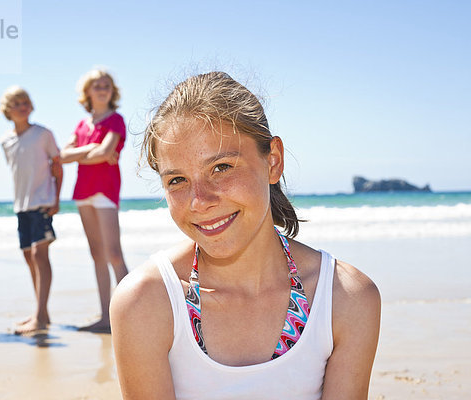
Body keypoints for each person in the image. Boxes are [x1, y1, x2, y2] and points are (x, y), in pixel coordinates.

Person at [110, 72, 381, 399]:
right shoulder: (146, 302)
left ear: (273, 161)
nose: (200, 201)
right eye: (178, 180)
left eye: (221, 167)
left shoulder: (344, 298)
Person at [60, 69, 128, 333]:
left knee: (113, 253)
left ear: (112, 91)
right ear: (87, 91)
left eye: (107, 85)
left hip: (106, 190)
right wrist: (91, 151)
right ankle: (105, 317)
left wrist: (88, 153)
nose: (102, 89)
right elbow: (62, 156)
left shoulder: (115, 120)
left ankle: (130, 314)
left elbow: (104, 151)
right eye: (97, 85)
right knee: (96, 254)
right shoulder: (81, 125)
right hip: (83, 191)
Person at [0, 86, 63, 334]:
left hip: (42, 202)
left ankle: (40, 316)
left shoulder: (43, 134)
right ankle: (41, 313)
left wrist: (56, 198)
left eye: (25, 101)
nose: (22, 106)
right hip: (21, 205)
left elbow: (57, 166)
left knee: (39, 255)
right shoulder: (6, 140)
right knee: (29, 257)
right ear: (7, 110)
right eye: (16, 103)